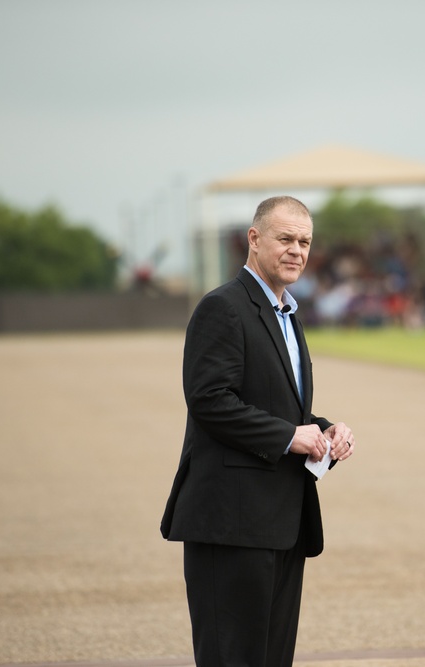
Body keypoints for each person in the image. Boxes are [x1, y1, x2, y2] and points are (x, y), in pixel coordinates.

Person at [160, 195, 356, 667]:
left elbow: (279, 404)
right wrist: (291, 437)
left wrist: (325, 430)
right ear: (254, 239)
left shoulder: (286, 313)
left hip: (281, 523)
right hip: (231, 523)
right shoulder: (223, 307)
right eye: (285, 238)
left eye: (305, 241)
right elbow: (209, 400)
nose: (297, 251)